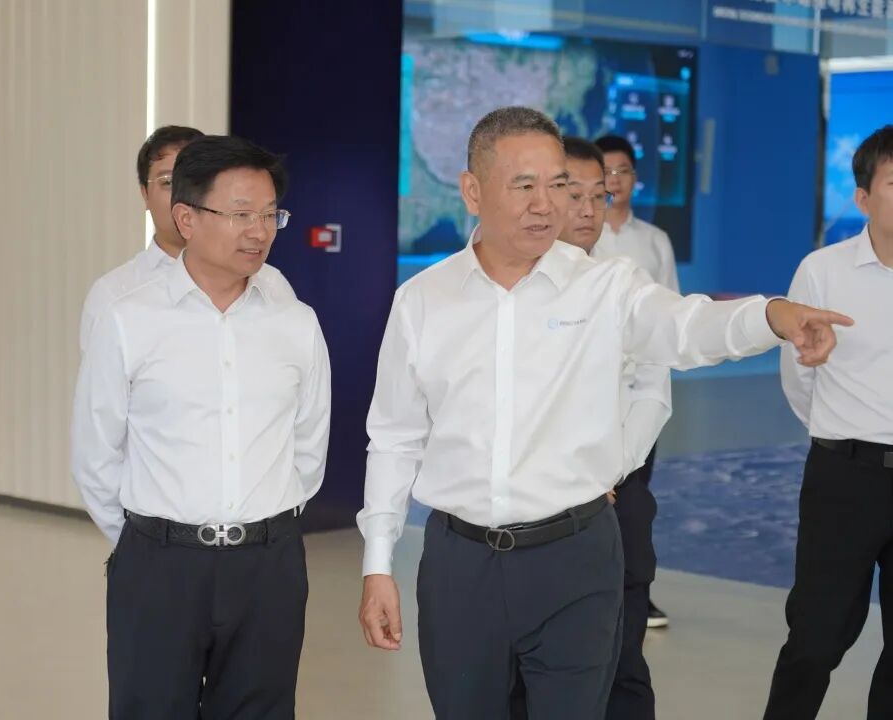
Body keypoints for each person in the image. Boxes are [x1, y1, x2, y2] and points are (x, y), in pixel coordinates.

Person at [356, 106, 851, 719]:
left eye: (558, 184)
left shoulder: (607, 285)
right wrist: (378, 564)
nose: (546, 205)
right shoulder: (423, 301)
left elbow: (686, 326)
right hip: (461, 564)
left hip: (576, 558)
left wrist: (772, 315)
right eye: (524, 185)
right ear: (473, 190)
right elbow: (395, 437)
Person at [71, 135, 331, 719]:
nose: (259, 231)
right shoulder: (128, 319)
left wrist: (266, 523)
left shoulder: (295, 321)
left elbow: (309, 443)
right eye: (241, 214)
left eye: (270, 214)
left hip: (268, 566)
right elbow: (95, 452)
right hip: (160, 566)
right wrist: (150, 542)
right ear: (186, 218)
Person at [764, 125, 893, 720]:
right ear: (863, 197)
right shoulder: (823, 271)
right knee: (816, 638)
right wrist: (839, 436)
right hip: (845, 478)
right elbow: (799, 378)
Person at [563, 135, 668, 720]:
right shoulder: (497, 285)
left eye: (596, 195)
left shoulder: (626, 278)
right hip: (537, 510)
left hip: (616, 488)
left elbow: (653, 382)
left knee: (623, 658)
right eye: (572, 193)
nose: (587, 209)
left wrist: (611, 469)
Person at [78, 125, 295, 351]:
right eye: (169, 182)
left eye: (194, 182)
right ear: (145, 194)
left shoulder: (271, 284)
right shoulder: (114, 294)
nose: (181, 193)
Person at [595, 133, 679, 629]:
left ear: (634, 177)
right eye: (605, 172)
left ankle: (635, 594)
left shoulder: (654, 240)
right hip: (590, 389)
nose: (614, 180)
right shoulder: (577, 235)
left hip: (638, 389)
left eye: (622, 171)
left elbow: (670, 315)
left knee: (635, 494)